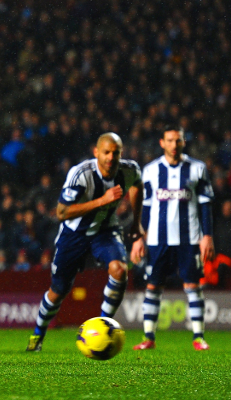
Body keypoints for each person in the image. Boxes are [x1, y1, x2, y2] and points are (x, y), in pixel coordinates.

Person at [26, 133, 144, 351]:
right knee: (58, 290)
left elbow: (138, 184)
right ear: (96, 152)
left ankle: (103, 328)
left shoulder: (129, 170)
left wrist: (137, 224)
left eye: (115, 153)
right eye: (106, 152)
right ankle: (37, 335)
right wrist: (102, 200)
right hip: (73, 235)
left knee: (119, 270)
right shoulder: (81, 174)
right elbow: (61, 212)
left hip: (105, 231)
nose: (111, 157)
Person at [132, 125, 215, 351]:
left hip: (189, 239)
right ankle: (148, 337)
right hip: (158, 240)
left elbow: (206, 205)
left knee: (192, 285)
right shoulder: (150, 170)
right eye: (169, 140)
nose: (174, 145)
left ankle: (198, 337)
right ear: (162, 143)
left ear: (183, 142)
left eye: (178, 140)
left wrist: (207, 236)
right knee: (153, 286)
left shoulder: (197, 168)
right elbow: (146, 207)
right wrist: (139, 238)